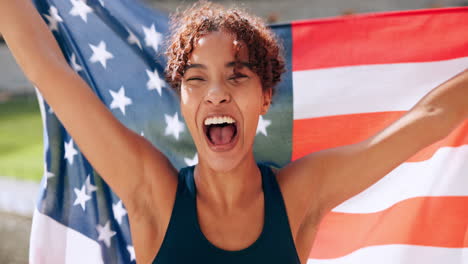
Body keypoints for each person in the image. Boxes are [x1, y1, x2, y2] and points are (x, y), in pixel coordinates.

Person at [0, 0, 467, 263]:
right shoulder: (152, 193)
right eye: (196, 78)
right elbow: (48, 69)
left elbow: (428, 118)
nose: (216, 93)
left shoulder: (300, 194)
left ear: (265, 95)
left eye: (237, 75)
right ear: (182, 99)